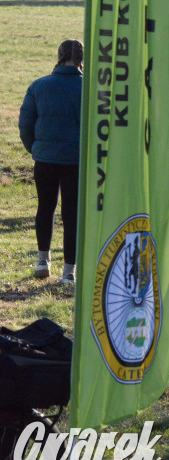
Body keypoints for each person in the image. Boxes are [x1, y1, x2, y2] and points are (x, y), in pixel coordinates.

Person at [18, 40, 83, 285]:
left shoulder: (39, 86)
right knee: (71, 214)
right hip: (75, 161)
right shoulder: (89, 88)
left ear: (59, 56)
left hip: (45, 158)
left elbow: (25, 124)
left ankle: (42, 261)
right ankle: (69, 272)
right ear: (80, 60)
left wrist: (35, 149)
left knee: (45, 208)